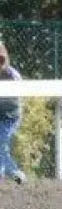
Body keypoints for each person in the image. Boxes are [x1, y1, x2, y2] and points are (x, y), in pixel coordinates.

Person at [0, 41, 26, 184]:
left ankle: (14, 173)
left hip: (10, 116)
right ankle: (12, 173)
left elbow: (16, 99)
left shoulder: (12, 75)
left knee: (1, 143)